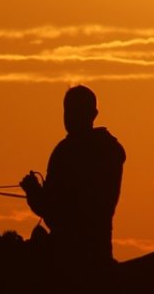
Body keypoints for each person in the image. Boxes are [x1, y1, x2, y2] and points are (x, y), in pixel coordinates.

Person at [20, 85, 125, 266]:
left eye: (75, 111)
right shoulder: (110, 150)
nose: (69, 117)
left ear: (93, 114)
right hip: (99, 248)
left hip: (66, 252)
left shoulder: (65, 152)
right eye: (68, 111)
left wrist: (33, 191)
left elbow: (55, 213)